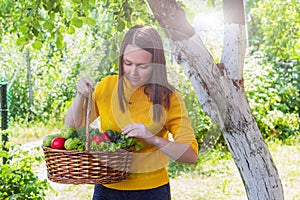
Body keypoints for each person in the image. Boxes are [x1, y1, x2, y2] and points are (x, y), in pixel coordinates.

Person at [64, 25, 198, 200]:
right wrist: (80, 97)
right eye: (128, 63)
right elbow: (71, 127)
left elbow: (190, 155)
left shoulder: (169, 97)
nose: (133, 72)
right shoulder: (107, 87)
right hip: (107, 189)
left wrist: (152, 138)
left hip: (152, 191)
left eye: (142, 66)